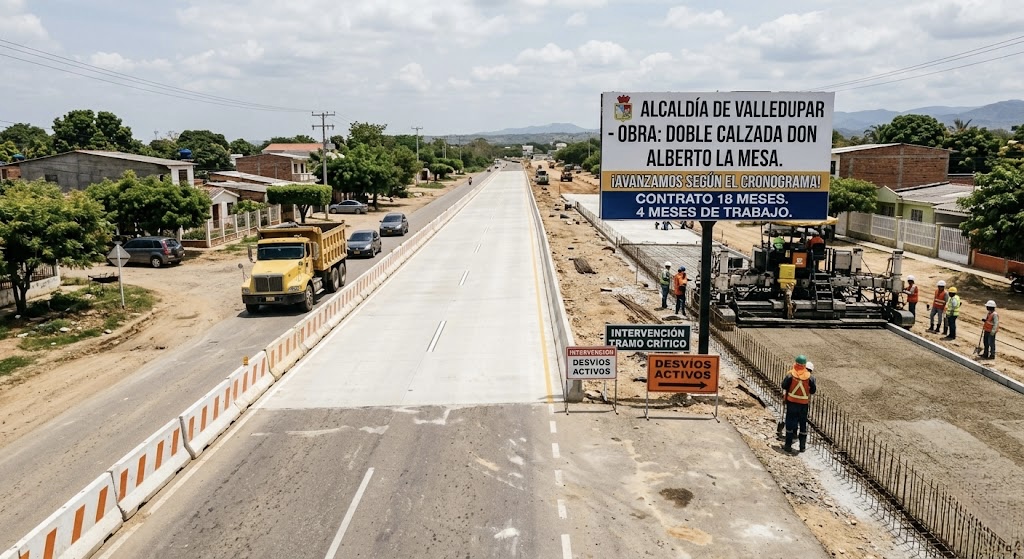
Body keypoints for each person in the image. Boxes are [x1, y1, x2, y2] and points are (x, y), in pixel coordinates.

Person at [781, 355, 817, 454]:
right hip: (803, 405)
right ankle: (802, 447)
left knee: (790, 423)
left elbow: (784, 385)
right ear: (805, 365)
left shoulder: (790, 375)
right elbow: (813, 391)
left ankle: (788, 445)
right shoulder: (810, 377)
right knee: (802, 424)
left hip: (792, 403)